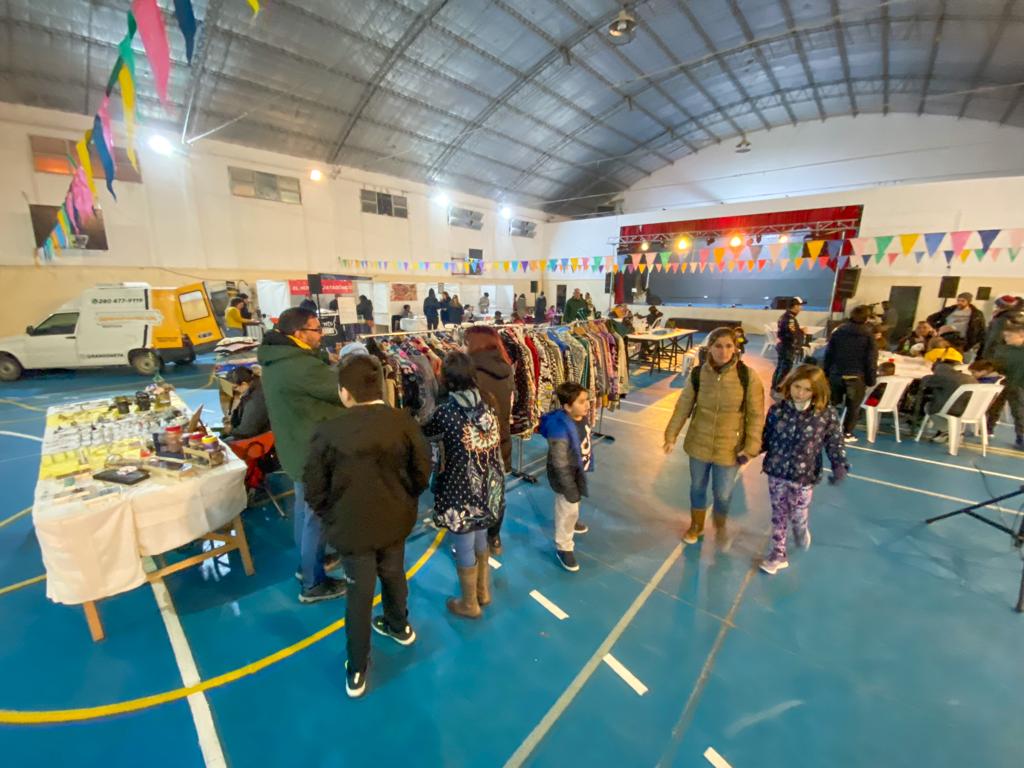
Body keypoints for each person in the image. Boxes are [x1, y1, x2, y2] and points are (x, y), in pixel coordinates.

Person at [303, 355, 430, 699]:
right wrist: (404, 499)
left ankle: (357, 667)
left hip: (352, 528)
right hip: (395, 519)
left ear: (345, 392)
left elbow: (314, 489)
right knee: (393, 572)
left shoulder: (329, 432)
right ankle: (398, 624)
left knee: (359, 593)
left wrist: (333, 516)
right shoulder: (403, 423)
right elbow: (422, 471)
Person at [257, 308, 347, 603]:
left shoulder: (280, 358)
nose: (321, 335)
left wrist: (323, 358)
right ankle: (313, 584)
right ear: (299, 334)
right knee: (316, 517)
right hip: (312, 453)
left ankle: (309, 563)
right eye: (317, 330)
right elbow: (343, 391)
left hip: (296, 447)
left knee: (304, 513)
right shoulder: (302, 368)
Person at [663, 327, 765, 545]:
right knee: (697, 487)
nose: (724, 351)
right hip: (698, 442)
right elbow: (684, 406)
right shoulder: (699, 374)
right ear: (709, 347)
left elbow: (756, 415)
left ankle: (720, 524)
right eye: (718, 346)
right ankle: (696, 525)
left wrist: (751, 446)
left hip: (730, 448)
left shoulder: (747, 376)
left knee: (722, 494)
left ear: (736, 348)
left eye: (729, 346)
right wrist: (671, 434)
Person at [423, 352, 506, 618]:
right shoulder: (488, 403)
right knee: (481, 532)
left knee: (464, 543)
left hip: (460, 487)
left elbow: (424, 433)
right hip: (489, 484)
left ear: (445, 378)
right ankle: (483, 590)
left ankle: (469, 603)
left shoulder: (445, 413)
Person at [759, 365, 848, 575]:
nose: (800, 393)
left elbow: (835, 441)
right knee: (779, 513)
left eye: (807, 389)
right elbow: (766, 437)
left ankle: (801, 530)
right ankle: (778, 554)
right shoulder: (777, 410)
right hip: (777, 470)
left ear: (816, 391)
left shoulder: (825, 414)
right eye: (797, 387)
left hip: (804, 475)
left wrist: (839, 464)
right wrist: (748, 450)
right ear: (789, 385)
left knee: (797, 514)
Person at [465, 326, 514, 555]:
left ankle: (475, 543)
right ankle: (494, 538)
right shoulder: (506, 369)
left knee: (473, 494)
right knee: (497, 494)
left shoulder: (470, 373)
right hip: (501, 440)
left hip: (476, 445)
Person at [539, 382, 593, 572]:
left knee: (573, 503)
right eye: (581, 402)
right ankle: (564, 546)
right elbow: (559, 462)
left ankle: (572, 520)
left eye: (587, 400)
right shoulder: (559, 429)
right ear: (567, 406)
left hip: (576, 468)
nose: (587, 405)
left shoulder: (580, 417)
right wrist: (569, 486)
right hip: (565, 474)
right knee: (567, 506)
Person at [823, 305, 878, 443]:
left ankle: (825, 429)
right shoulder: (868, 336)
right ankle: (847, 432)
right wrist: (871, 380)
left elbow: (829, 354)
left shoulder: (838, 331)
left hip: (836, 374)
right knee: (853, 407)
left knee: (831, 404)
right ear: (866, 319)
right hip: (856, 376)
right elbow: (871, 360)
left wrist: (826, 372)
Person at [993, 320, 1024, 449]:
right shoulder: (1002, 349)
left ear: (1022, 334)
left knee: (1019, 411)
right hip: (1003, 382)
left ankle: (1021, 436)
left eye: (1009, 336)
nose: (1006, 339)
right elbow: (996, 364)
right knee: (994, 407)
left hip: (1019, 384)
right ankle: (988, 428)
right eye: (1005, 336)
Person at [222, 367, 270, 439]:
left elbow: (247, 432)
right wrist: (232, 419)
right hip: (264, 430)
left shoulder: (256, 399)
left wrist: (229, 430)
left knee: (224, 441)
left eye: (235, 388)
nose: (236, 391)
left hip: (262, 438)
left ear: (244, 384)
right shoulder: (257, 382)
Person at [772, 297, 806, 391]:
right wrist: (802, 333)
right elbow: (792, 334)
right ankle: (779, 387)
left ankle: (775, 386)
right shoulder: (790, 319)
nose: (801, 309)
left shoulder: (785, 316)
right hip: (788, 347)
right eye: (800, 306)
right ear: (795, 306)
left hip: (783, 346)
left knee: (780, 367)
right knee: (785, 368)